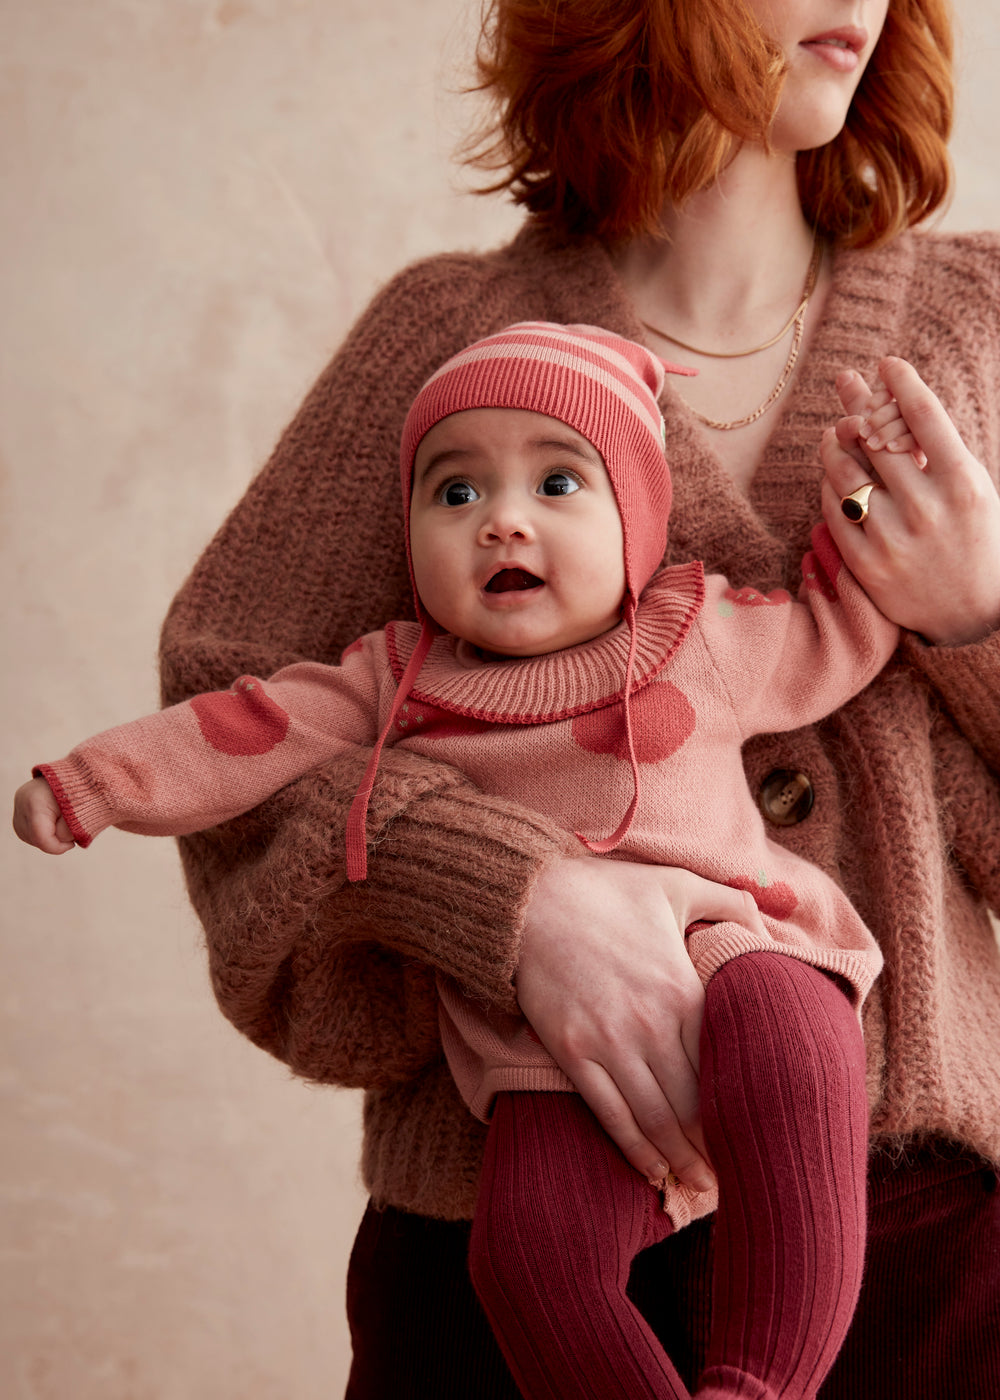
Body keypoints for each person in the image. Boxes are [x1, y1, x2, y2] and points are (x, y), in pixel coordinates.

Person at [80, 0, 1000, 1394]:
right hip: (498, 1256)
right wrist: (503, 896)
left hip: (924, 1260)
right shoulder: (444, 336)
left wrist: (979, 623)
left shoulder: (981, 329)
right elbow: (238, 723)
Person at [15, 320, 907, 1398]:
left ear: (640, 516)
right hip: (540, 1036)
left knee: (792, 1041)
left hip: (739, 938)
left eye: (559, 481)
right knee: (525, 1254)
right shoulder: (393, 681)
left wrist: (864, 494)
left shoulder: (699, 633)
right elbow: (240, 730)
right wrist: (95, 782)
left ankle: (763, 1380)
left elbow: (844, 613)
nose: (501, 522)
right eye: (455, 493)